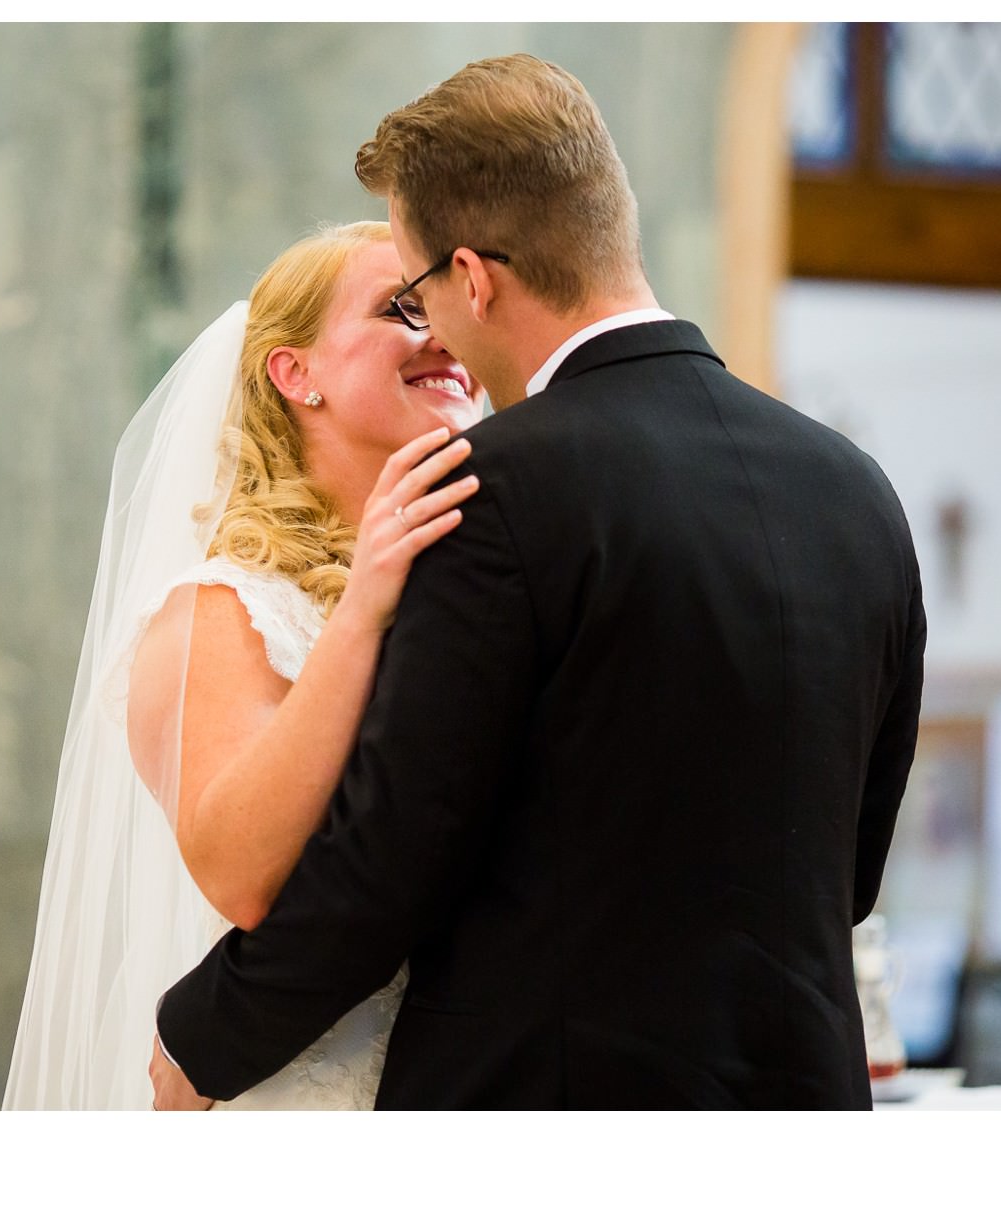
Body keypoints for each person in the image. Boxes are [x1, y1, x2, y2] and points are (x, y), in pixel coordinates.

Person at [150, 53, 926, 1110]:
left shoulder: (494, 491)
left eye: (420, 293)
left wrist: (203, 1037)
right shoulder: (856, 493)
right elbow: (849, 869)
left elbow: (390, 861)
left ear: (470, 278)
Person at [3, 220, 484, 1109]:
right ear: (296, 374)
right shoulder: (224, 611)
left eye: (446, 312)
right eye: (401, 310)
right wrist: (366, 602)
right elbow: (244, 873)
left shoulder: (472, 590)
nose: (441, 336)